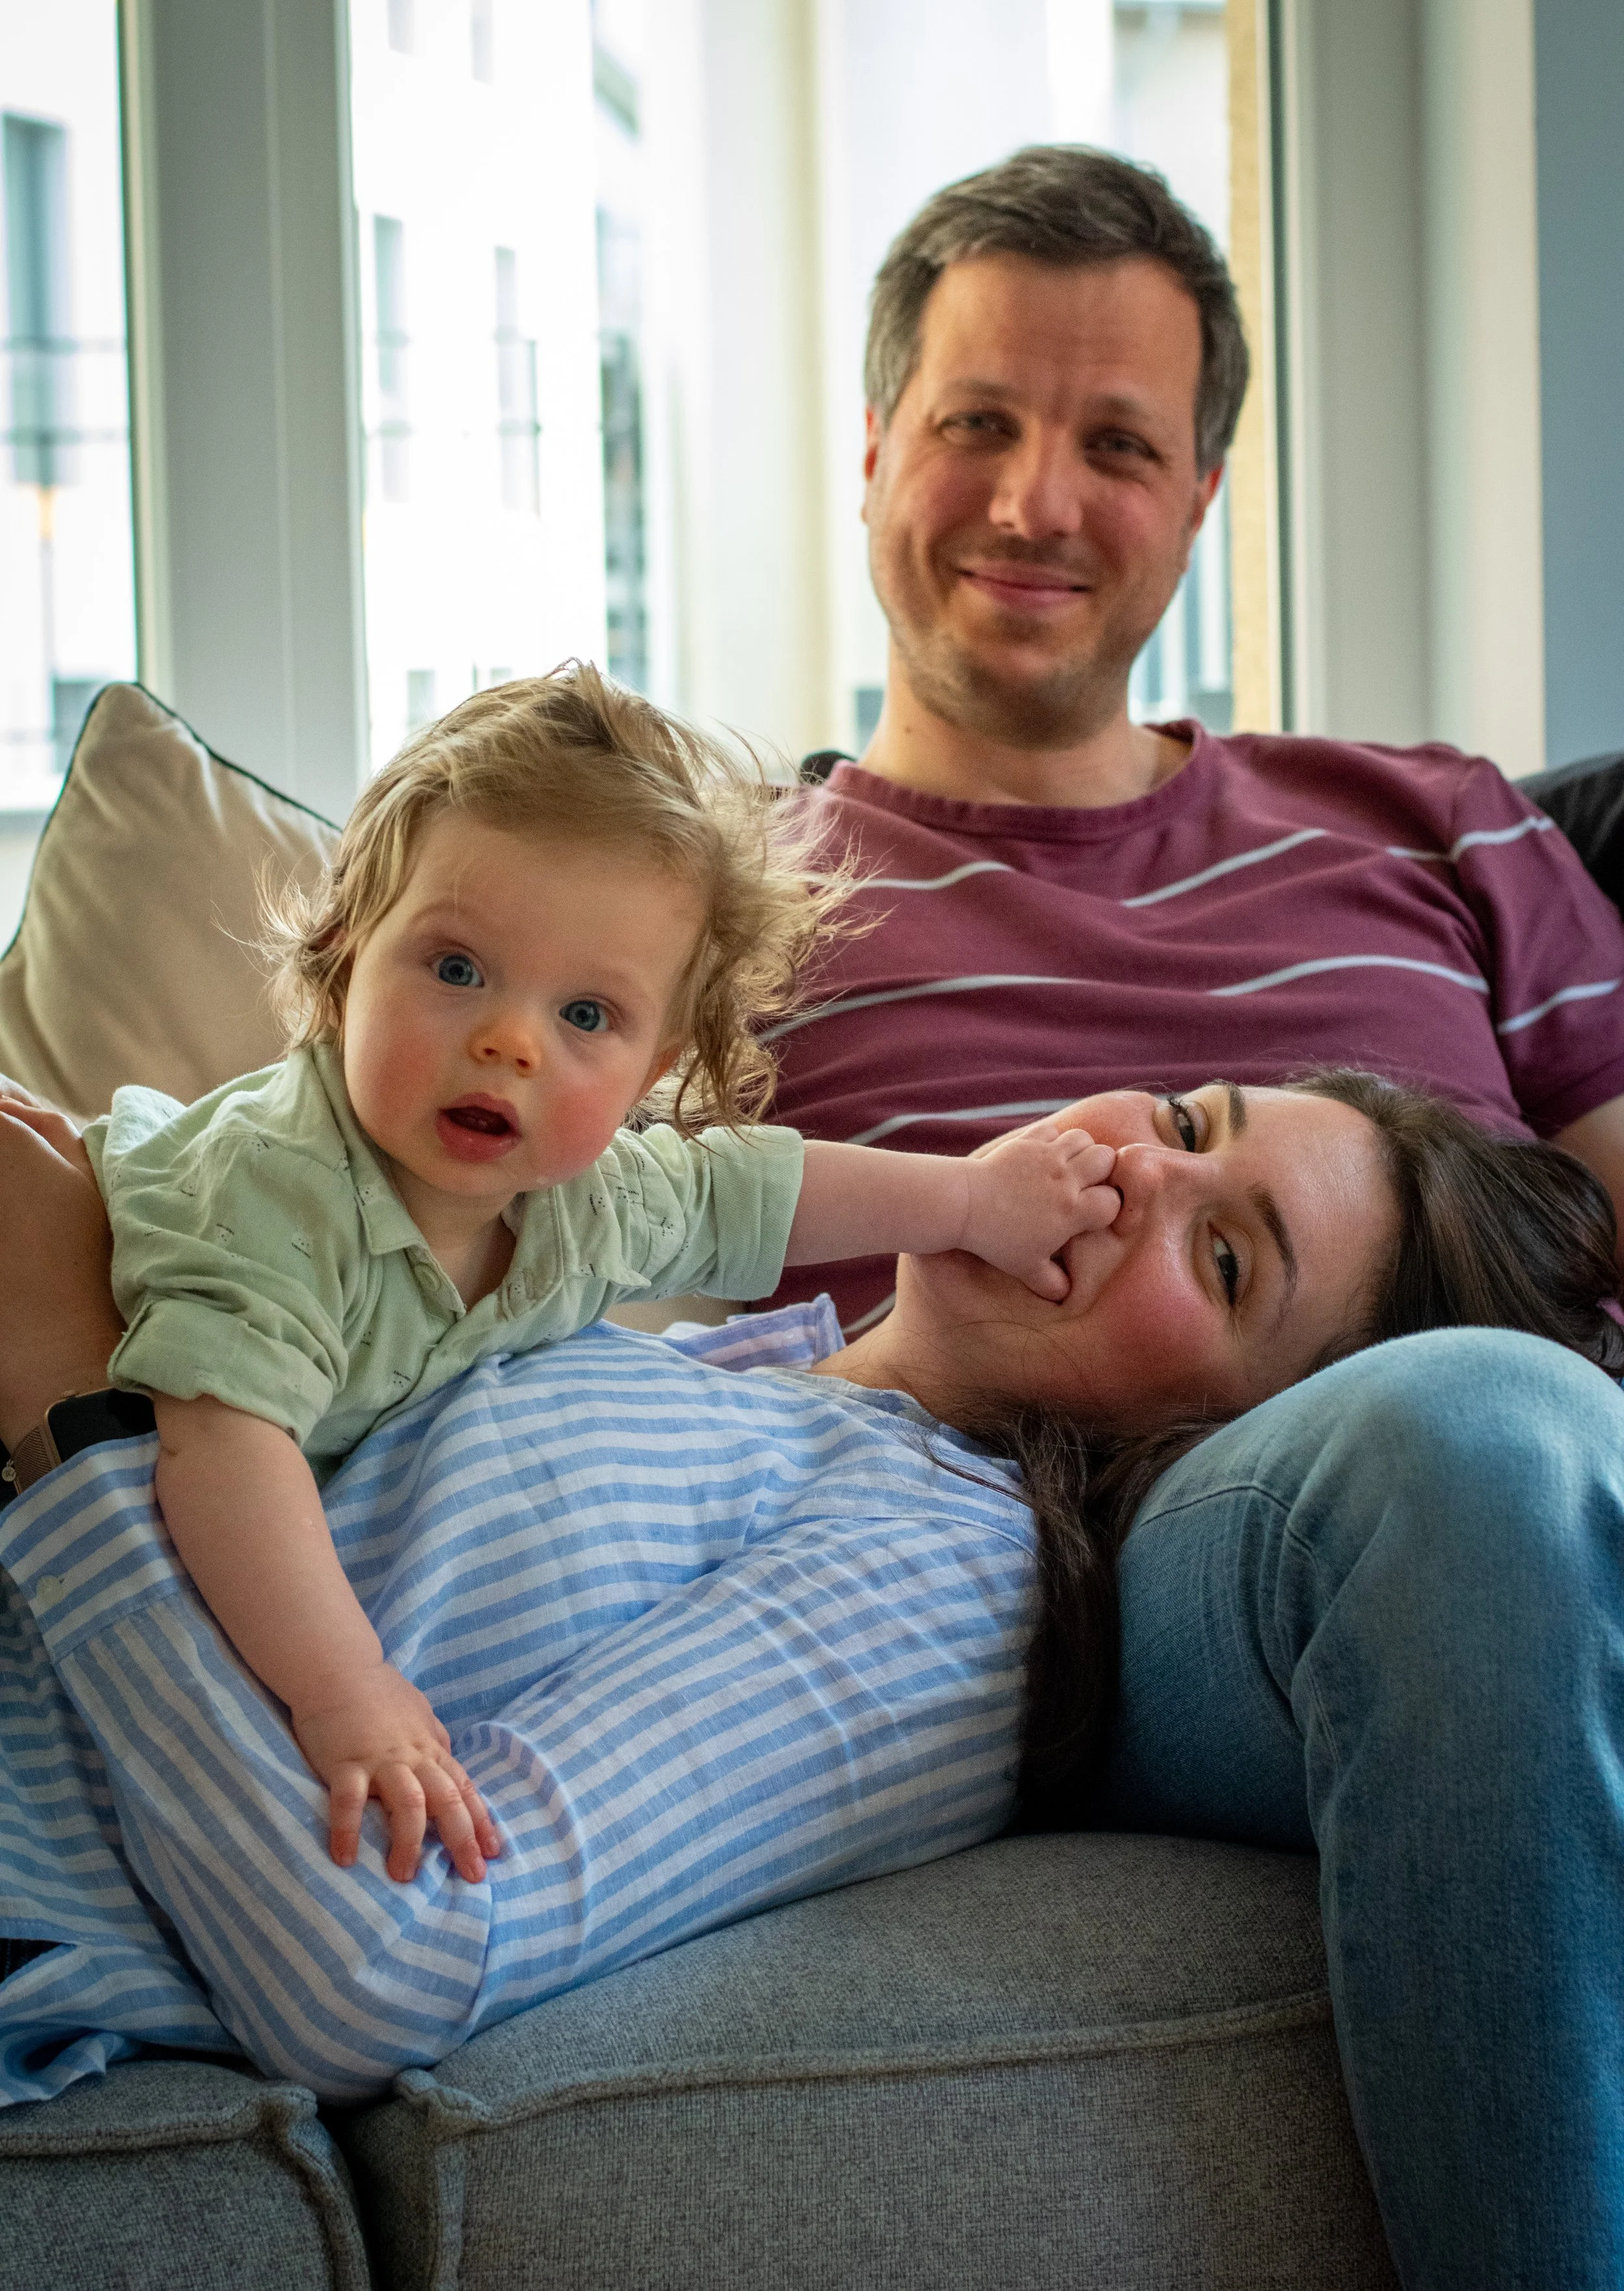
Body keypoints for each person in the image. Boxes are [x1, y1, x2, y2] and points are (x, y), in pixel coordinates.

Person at [0, 1071, 1621, 2291]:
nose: (1133, 1170)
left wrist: (65, 1387)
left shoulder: (940, 1583)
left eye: (1223, 1260)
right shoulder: (729, 1366)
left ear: (1216, 1442)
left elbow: (372, 1972)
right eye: (1190, 1117)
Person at [1, 664, 1114, 1882]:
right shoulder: (283, 1186)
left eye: (588, 1015)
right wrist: (348, 1691)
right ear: (340, 955)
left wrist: (965, 1201)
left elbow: (751, 1190)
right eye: (458, 968)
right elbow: (224, 1448)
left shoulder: (587, 1201)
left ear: (654, 1069)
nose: (512, 1039)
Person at [761, 145, 1624, 1334]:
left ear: (1198, 501)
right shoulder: (715, 910)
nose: (1035, 506)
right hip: (974, 1508)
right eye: (977, 422)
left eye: (1116, 445)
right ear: (874, 453)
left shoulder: (1443, 827)